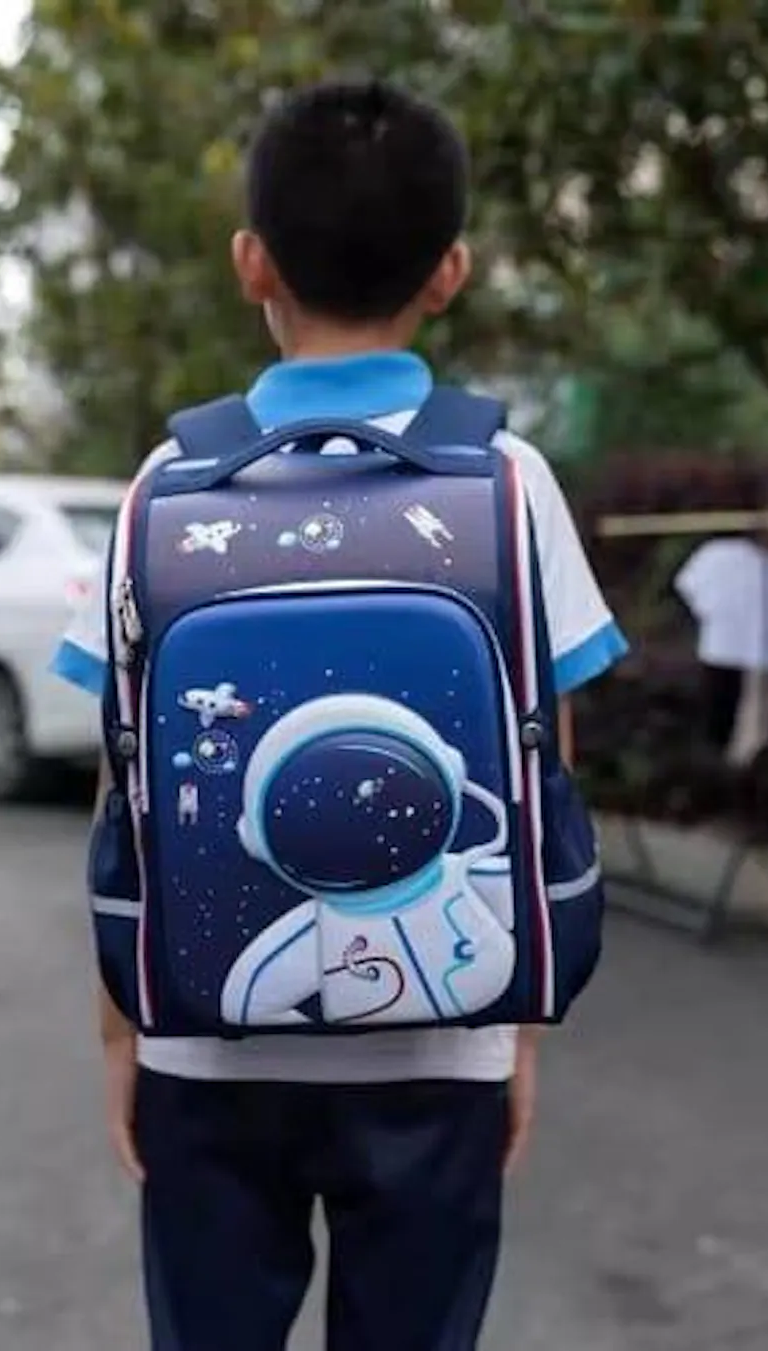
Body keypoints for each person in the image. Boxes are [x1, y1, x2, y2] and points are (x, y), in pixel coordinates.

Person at [53, 80, 627, 1350]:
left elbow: (120, 772)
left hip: (202, 1041)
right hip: (445, 1047)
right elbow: (543, 759)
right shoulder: (508, 479)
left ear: (250, 260)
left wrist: (119, 1027)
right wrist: (518, 1028)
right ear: (451, 270)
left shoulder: (169, 481)